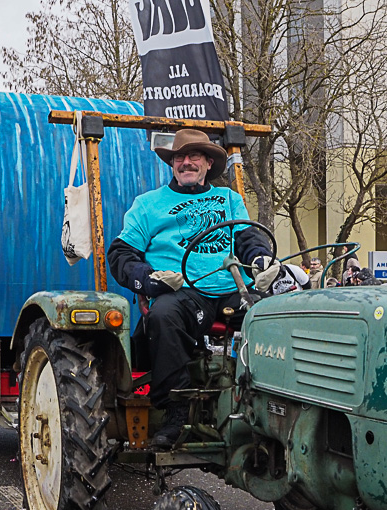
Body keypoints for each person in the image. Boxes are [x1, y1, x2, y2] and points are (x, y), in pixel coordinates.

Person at [107, 128, 276, 449]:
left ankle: (269, 404)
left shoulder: (229, 199)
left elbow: (247, 239)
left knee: (273, 314)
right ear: (172, 164)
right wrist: (151, 278)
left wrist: (261, 260)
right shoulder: (148, 204)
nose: (186, 162)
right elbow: (121, 255)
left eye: (194, 156)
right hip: (182, 293)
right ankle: (175, 413)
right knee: (163, 316)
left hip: (231, 288)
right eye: (179, 157)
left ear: (208, 163)